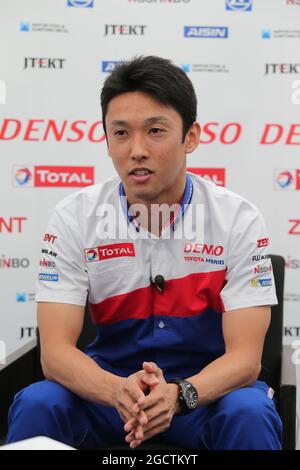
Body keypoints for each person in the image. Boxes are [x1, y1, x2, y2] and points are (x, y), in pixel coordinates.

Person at [7, 56, 282, 450]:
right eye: (120, 133)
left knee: (249, 410)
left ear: (191, 137)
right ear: (106, 140)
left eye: (155, 130)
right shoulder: (74, 218)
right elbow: (54, 353)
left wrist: (178, 394)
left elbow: (245, 359)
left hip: (203, 394)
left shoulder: (237, 218)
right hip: (110, 394)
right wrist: (117, 390)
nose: (136, 150)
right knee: (40, 401)